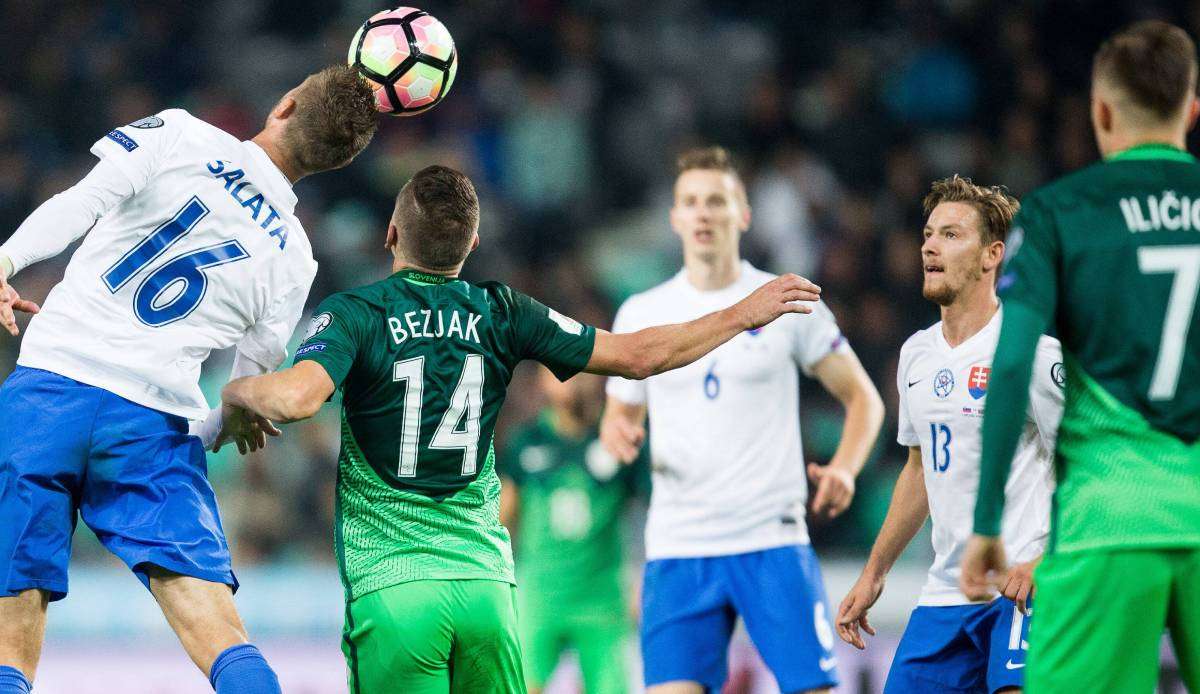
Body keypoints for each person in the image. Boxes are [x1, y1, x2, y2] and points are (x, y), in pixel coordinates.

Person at [218, 164, 822, 694]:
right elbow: (639, 356)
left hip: (395, 588)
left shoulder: (353, 313)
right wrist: (742, 312)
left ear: (391, 235)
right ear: (473, 242)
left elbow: (297, 398)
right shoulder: (504, 310)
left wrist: (238, 390)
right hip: (487, 591)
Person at [0, 65, 379, 694]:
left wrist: (6, 259)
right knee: (220, 634)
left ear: (285, 104)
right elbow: (246, 394)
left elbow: (80, 203)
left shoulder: (179, 133)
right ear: (333, 164)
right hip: (151, 426)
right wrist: (198, 437)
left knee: (11, 632)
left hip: (47, 393)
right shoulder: (294, 260)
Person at [961, 20, 1200, 692]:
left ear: (1100, 111)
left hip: (1109, 518)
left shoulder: (1060, 212)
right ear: (1191, 109)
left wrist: (986, 522)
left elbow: (1010, 365)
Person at [601, 146, 885, 694]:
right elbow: (619, 414)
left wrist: (846, 469)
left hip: (769, 536)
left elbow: (864, 400)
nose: (703, 213)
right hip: (678, 544)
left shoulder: (782, 299)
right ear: (675, 217)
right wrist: (616, 431)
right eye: (691, 202)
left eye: (716, 201)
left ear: (744, 214)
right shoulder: (641, 312)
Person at [836, 176, 1063, 693]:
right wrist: (875, 572)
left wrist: (1045, 558)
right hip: (946, 593)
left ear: (992, 256)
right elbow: (920, 471)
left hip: (1022, 589)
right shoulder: (915, 355)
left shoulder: (1030, 352)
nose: (930, 246)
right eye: (928, 234)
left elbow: (1088, 466)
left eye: (952, 235)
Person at [498, 367, 647, 694]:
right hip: (538, 596)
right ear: (540, 380)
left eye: (582, 371)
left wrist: (644, 576)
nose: (571, 380)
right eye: (557, 371)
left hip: (602, 601)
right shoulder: (525, 443)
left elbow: (648, 511)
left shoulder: (617, 442)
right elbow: (501, 523)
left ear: (600, 378)